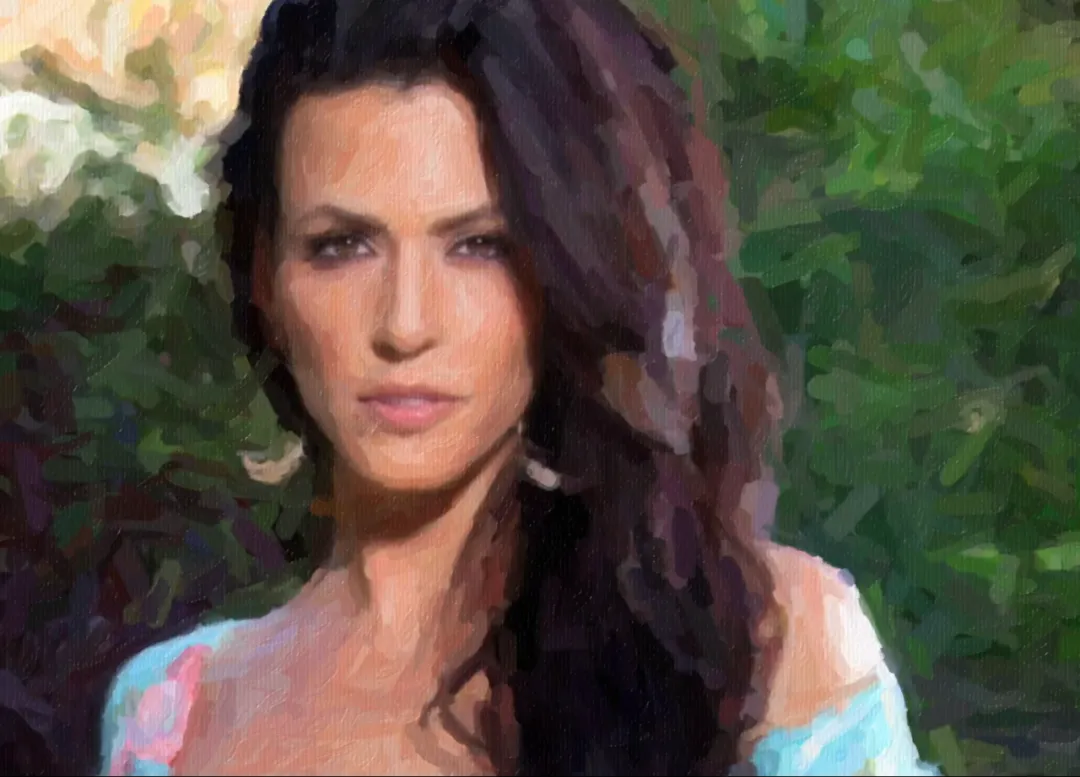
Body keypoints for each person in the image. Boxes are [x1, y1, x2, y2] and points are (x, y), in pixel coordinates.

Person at [99, 0, 941, 774]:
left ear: (570, 270)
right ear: (266, 280)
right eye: (342, 245)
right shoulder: (173, 714)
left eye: (479, 246)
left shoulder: (765, 652)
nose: (405, 325)